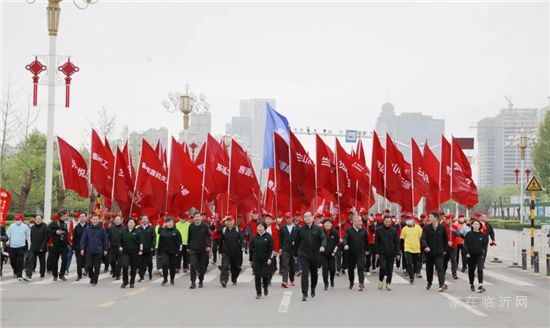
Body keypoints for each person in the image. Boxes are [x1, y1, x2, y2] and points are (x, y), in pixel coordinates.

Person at [294, 211, 326, 302]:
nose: (307, 218)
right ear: (303, 218)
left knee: (314, 274)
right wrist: (295, 254)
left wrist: (322, 246)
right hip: (304, 255)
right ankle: (304, 294)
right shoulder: (300, 230)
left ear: (312, 218)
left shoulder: (318, 229)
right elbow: (296, 243)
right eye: (305, 216)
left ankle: (313, 288)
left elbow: (323, 238)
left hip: (315, 255)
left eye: (309, 216)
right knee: (304, 274)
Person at [421, 211, 448, 292]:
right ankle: (429, 282)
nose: (429, 218)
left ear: (436, 218)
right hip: (429, 253)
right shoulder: (426, 228)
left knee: (440, 268)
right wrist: (425, 246)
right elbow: (423, 239)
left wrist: (445, 250)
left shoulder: (442, 228)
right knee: (429, 269)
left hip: (439, 252)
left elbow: (445, 240)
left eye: (431, 217)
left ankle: (441, 285)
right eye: (429, 217)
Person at [80, 214, 108, 286]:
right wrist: (82, 248)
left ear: (98, 220)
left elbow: (105, 240)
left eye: (96, 219)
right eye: (93, 219)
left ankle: (95, 280)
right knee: (89, 266)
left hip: (98, 251)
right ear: (91, 220)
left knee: (97, 267)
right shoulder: (87, 229)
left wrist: (105, 249)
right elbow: (83, 239)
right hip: (89, 250)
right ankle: (92, 276)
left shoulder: (102, 229)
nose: (95, 221)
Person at [343, 215, 370, 291]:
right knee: (350, 269)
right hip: (351, 253)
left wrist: (367, 250)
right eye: (359, 221)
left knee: (361, 267)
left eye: (361, 221)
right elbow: (345, 238)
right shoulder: (349, 230)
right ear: (354, 222)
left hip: (360, 253)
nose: (360, 223)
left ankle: (361, 283)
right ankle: (351, 281)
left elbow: (366, 241)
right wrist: (345, 245)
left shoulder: (364, 231)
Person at [374, 215, 400, 291]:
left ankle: (388, 283)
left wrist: (398, 253)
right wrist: (377, 252)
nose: (388, 223)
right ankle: (381, 280)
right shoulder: (379, 230)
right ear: (383, 221)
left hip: (391, 253)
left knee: (390, 269)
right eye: (386, 222)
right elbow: (376, 242)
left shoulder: (394, 230)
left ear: (391, 222)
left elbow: (397, 242)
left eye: (389, 222)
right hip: (382, 253)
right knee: (382, 267)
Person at [249, 221, 273, 299]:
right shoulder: (254, 237)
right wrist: (251, 260)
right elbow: (251, 249)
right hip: (256, 259)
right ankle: (258, 292)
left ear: (264, 227)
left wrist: (270, 258)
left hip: (266, 260)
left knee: (265, 276)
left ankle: (265, 287)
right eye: (258, 226)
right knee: (257, 276)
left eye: (261, 226)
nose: (259, 228)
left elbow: (271, 249)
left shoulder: (269, 237)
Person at [188, 212, 212, 289]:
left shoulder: (205, 226)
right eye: (196, 217)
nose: (197, 218)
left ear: (201, 218)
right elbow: (189, 237)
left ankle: (201, 280)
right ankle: (193, 282)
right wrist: (188, 247)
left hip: (202, 249)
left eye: (198, 216)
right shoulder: (191, 226)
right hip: (193, 249)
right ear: (193, 218)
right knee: (193, 265)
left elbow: (208, 236)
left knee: (202, 267)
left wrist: (208, 245)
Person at [464, 219, 489, 293]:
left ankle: (480, 285)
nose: (476, 225)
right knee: (471, 270)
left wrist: (483, 253)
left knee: (480, 269)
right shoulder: (468, 234)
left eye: (478, 224)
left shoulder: (483, 235)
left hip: (479, 255)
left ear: (480, 226)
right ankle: (471, 284)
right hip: (470, 255)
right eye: (474, 224)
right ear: (472, 225)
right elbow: (465, 245)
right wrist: (467, 252)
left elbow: (485, 246)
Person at [219, 216, 244, 287]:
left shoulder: (237, 229)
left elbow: (241, 239)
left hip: (236, 252)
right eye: (228, 221)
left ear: (233, 221)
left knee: (236, 268)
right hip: (226, 252)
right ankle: (223, 280)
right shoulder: (223, 230)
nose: (229, 222)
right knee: (225, 266)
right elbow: (220, 241)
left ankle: (234, 278)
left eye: (231, 221)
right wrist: (220, 251)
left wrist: (242, 246)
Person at [24, 215, 50, 281]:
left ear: (41, 220)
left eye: (39, 219)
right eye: (36, 219)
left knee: (42, 261)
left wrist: (42, 247)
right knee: (30, 261)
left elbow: (46, 238)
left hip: (42, 248)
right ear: (34, 220)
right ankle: (28, 275)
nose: (38, 220)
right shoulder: (32, 227)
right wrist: (30, 246)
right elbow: (30, 238)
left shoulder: (45, 227)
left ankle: (42, 273)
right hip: (33, 247)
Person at [158, 217, 182, 286]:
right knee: (165, 264)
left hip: (174, 252)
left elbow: (180, 242)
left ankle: (172, 279)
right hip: (165, 251)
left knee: (172, 266)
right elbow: (160, 242)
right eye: (168, 222)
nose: (169, 223)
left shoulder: (176, 231)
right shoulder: (163, 231)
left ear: (173, 223)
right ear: (166, 223)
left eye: (171, 222)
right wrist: (159, 252)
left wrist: (179, 251)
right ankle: (165, 279)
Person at [6, 214, 30, 280]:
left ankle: (19, 275)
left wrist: (29, 246)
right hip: (12, 246)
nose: (17, 221)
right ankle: (15, 271)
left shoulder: (25, 227)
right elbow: (8, 234)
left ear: (22, 220)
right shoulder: (11, 226)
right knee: (12, 261)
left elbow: (28, 236)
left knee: (20, 261)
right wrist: (7, 241)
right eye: (16, 219)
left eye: (19, 219)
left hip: (21, 246)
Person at [400, 216, 423, 284]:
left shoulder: (418, 228)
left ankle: (414, 272)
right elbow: (401, 240)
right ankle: (411, 277)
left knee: (415, 264)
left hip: (416, 249)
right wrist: (400, 249)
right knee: (409, 263)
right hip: (407, 248)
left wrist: (424, 247)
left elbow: (422, 238)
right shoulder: (404, 229)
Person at [48, 211, 70, 281]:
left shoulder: (65, 224)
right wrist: (55, 232)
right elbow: (48, 230)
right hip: (56, 245)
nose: (67, 217)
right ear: (62, 216)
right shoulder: (54, 222)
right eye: (66, 216)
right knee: (55, 261)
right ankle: (55, 275)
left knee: (65, 259)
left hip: (64, 245)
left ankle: (62, 274)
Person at [278, 212, 297, 288]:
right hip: (285, 249)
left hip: (293, 249)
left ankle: (292, 279)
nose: (288, 219)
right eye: (286, 218)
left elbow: (299, 238)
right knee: (285, 265)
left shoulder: (297, 228)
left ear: (292, 218)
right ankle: (284, 281)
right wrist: (280, 248)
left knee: (292, 266)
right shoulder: (282, 228)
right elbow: (280, 239)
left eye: (289, 217)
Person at [120, 218, 140, 288]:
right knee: (125, 266)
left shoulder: (138, 232)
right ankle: (125, 282)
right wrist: (120, 246)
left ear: (134, 224)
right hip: (125, 252)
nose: (131, 224)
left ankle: (132, 282)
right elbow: (120, 240)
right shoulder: (123, 231)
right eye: (129, 222)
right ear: (127, 224)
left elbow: (141, 242)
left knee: (133, 268)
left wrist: (141, 250)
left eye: (132, 223)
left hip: (134, 252)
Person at [320, 219, 338, 290]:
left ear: (331, 224)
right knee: (325, 269)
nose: (327, 225)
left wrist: (334, 252)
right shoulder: (321, 232)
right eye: (326, 224)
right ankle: (326, 283)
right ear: (324, 225)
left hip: (332, 254)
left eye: (329, 224)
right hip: (323, 254)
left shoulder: (335, 232)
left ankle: (332, 279)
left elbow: (337, 244)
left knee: (332, 269)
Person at [137, 216, 156, 281]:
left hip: (149, 249)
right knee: (140, 263)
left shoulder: (151, 228)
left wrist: (152, 246)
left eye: (145, 219)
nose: (144, 220)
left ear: (148, 220)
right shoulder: (138, 229)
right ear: (141, 220)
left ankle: (150, 272)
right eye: (143, 219)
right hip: (140, 250)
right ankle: (141, 276)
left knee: (149, 263)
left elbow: (154, 238)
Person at [72, 213, 88, 281]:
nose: (82, 218)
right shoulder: (76, 227)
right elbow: (74, 239)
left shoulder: (89, 226)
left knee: (87, 262)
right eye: (81, 217)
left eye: (83, 216)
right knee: (78, 261)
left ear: (86, 218)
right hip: (78, 247)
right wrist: (73, 248)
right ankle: (79, 275)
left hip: (87, 248)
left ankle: (87, 271)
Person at [107, 215, 124, 280]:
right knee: (112, 261)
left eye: (118, 220)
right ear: (114, 221)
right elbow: (108, 237)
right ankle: (114, 271)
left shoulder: (124, 228)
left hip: (121, 248)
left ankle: (118, 275)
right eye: (116, 220)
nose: (117, 221)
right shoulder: (111, 228)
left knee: (119, 263)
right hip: (112, 247)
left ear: (121, 220)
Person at [442, 215, 459, 280]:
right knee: (445, 260)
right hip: (446, 246)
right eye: (446, 219)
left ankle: (454, 274)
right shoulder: (443, 226)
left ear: (451, 220)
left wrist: (453, 230)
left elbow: (458, 235)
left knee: (453, 260)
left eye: (447, 219)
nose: (446, 220)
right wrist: (447, 242)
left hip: (453, 246)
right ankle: (443, 273)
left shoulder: (455, 226)